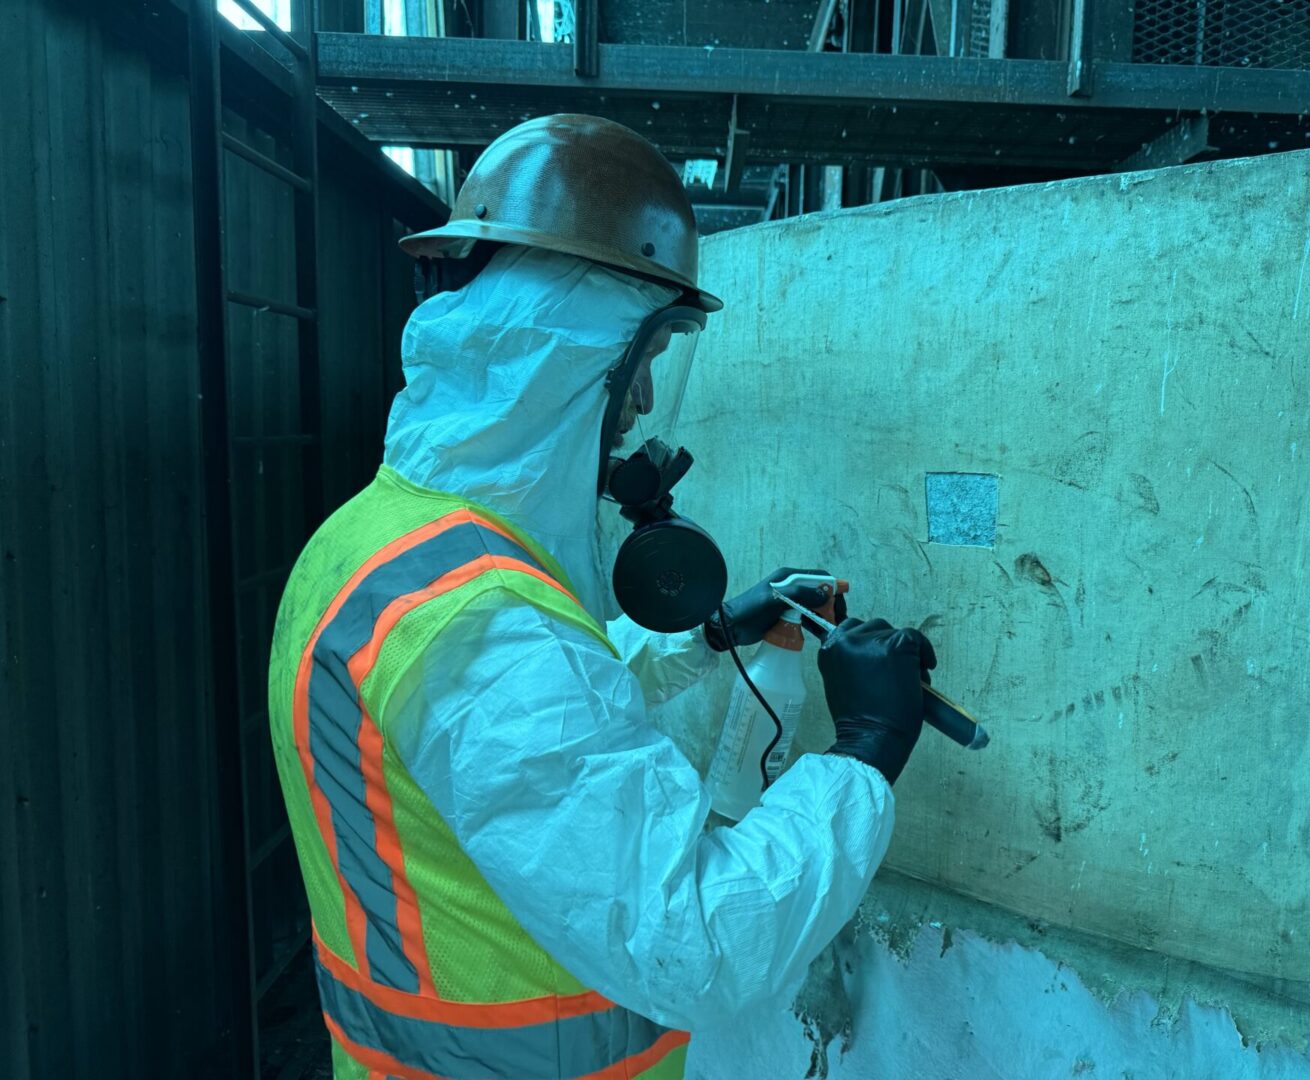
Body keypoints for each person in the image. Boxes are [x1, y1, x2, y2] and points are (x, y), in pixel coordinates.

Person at [268, 114, 936, 1080]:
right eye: (650, 357)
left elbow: (508, 726)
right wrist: (867, 754)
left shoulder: (379, 545)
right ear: (575, 353)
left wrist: (707, 638)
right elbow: (699, 940)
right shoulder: (481, 623)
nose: (649, 403)